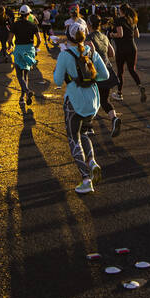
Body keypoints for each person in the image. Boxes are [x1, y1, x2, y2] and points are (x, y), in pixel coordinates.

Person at [53, 24, 110, 194]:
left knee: (73, 138)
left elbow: (56, 81)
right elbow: (105, 75)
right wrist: (90, 77)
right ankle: (92, 162)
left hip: (74, 101)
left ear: (68, 36)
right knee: (84, 133)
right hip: (92, 101)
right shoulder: (91, 51)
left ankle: (85, 179)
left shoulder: (65, 54)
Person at [87, 14, 121, 137]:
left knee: (91, 99)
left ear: (89, 24)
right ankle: (114, 118)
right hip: (107, 71)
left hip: (95, 72)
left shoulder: (89, 38)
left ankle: (89, 126)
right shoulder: (104, 36)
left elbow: (86, 54)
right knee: (104, 100)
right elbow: (111, 53)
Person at [110, 3, 145, 103]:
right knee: (132, 69)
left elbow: (120, 34)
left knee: (120, 71)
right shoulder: (132, 21)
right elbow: (137, 35)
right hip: (132, 47)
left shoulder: (118, 20)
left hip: (122, 48)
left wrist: (112, 34)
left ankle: (119, 93)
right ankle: (140, 86)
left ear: (121, 11)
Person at [11, 5, 42, 110]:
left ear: (20, 14)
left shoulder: (15, 25)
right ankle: (22, 97)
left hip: (19, 49)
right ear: (28, 14)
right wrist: (36, 48)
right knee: (26, 75)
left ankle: (27, 92)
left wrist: (11, 46)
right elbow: (39, 40)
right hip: (29, 49)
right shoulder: (33, 25)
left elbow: (9, 40)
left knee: (19, 75)